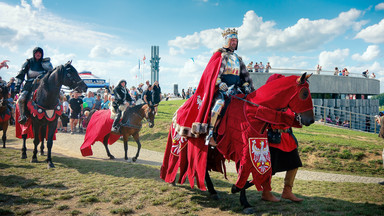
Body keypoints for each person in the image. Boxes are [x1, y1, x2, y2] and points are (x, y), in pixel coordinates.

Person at [15, 47, 53, 124]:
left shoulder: (46, 63)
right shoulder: (28, 63)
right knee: (21, 98)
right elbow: (20, 75)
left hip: (43, 84)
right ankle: (22, 116)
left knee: (59, 95)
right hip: (29, 84)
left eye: (40, 53)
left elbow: (51, 75)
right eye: (36, 53)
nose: (38, 54)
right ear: (33, 53)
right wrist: (17, 86)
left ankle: (60, 113)